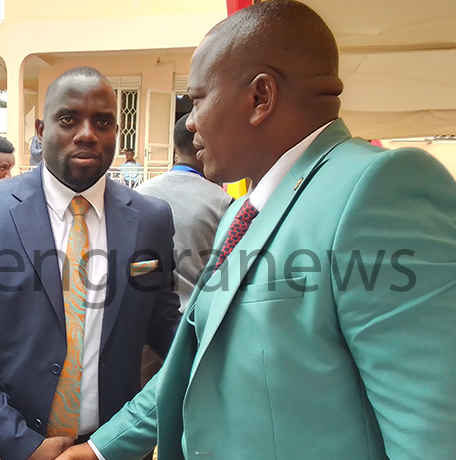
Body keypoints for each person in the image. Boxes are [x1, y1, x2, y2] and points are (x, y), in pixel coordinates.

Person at [58, 2, 456, 460]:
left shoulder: (379, 189)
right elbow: (194, 362)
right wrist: (98, 451)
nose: (190, 120)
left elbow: (431, 433)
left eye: (198, 99)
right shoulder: (241, 214)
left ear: (260, 98)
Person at [0, 67, 181, 460]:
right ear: (41, 129)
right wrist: (21, 444)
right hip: (7, 447)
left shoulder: (152, 219)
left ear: (117, 132)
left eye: (103, 122)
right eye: (68, 119)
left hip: (109, 447)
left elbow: (165, 324)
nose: (87, 133)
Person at [136, 114, 233, 309]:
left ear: (175, 149)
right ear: (205, 148)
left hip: (147, 316)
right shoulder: (223, 203)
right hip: (196, 317)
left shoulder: (139, 194)